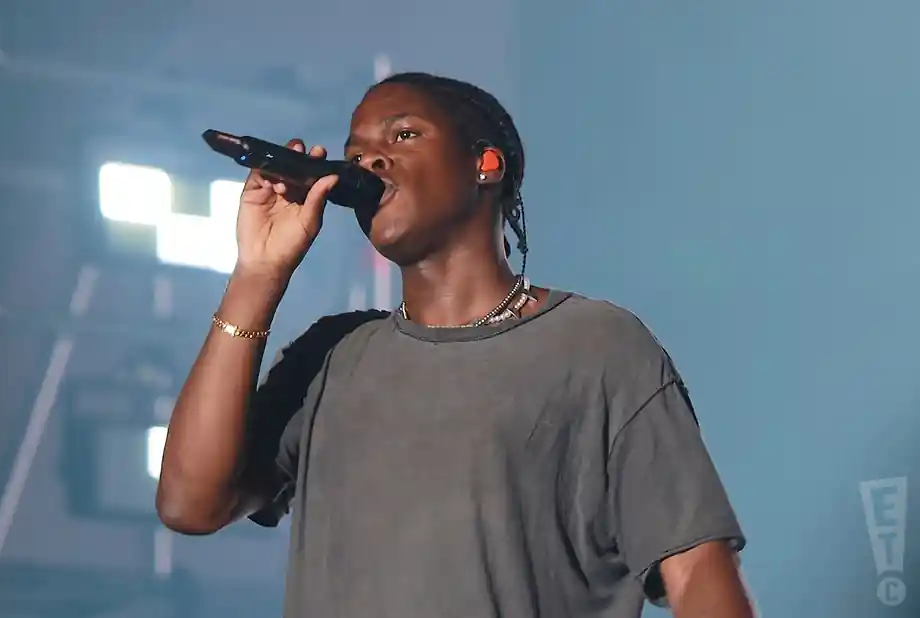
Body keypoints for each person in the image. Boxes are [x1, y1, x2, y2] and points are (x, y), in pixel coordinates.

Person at [156, 72, 755, 618]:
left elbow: (697, 565)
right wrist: (257, 277)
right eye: (358, 151)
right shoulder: (331, 355)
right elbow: (190, 504)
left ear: (485, 165)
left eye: (404, 135)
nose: (370, 161)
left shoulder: (594, 344)